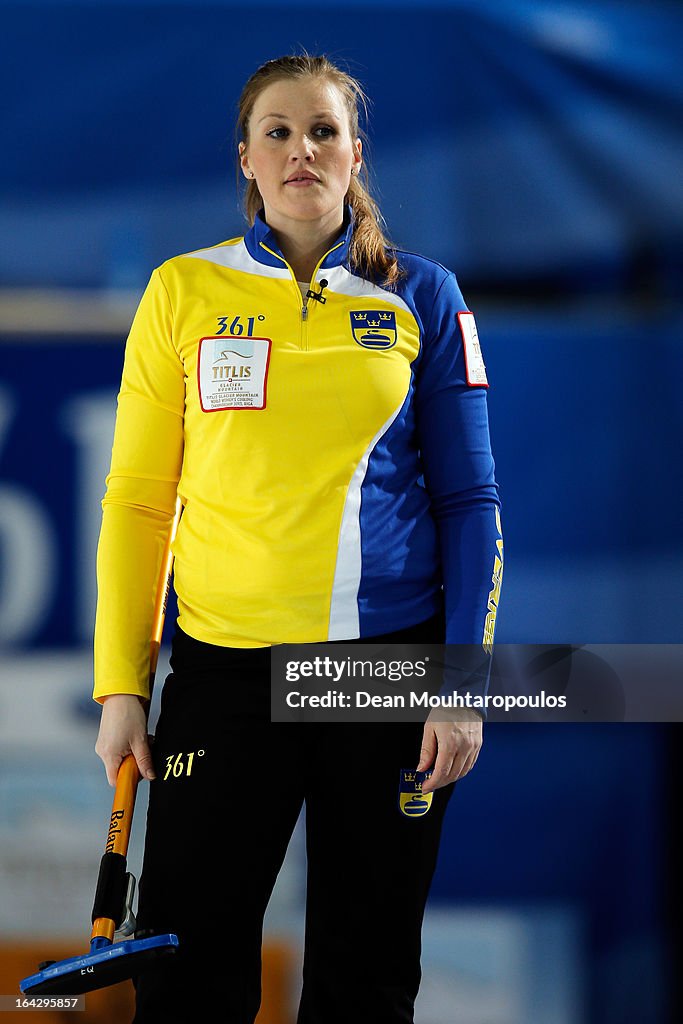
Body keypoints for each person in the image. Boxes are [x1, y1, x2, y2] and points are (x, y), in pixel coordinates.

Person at [93, 53, 503, 1024]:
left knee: (365, 976)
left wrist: (462, 684)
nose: (300, 150)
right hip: (225, 674)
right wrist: (123, 686)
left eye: (322, 130)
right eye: (276, 131)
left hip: (385, 675)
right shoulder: (182, 293)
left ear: (356, 155)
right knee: (188, 978)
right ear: (245, 157)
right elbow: (138, 503)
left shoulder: (423, 297)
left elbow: (471, 502)